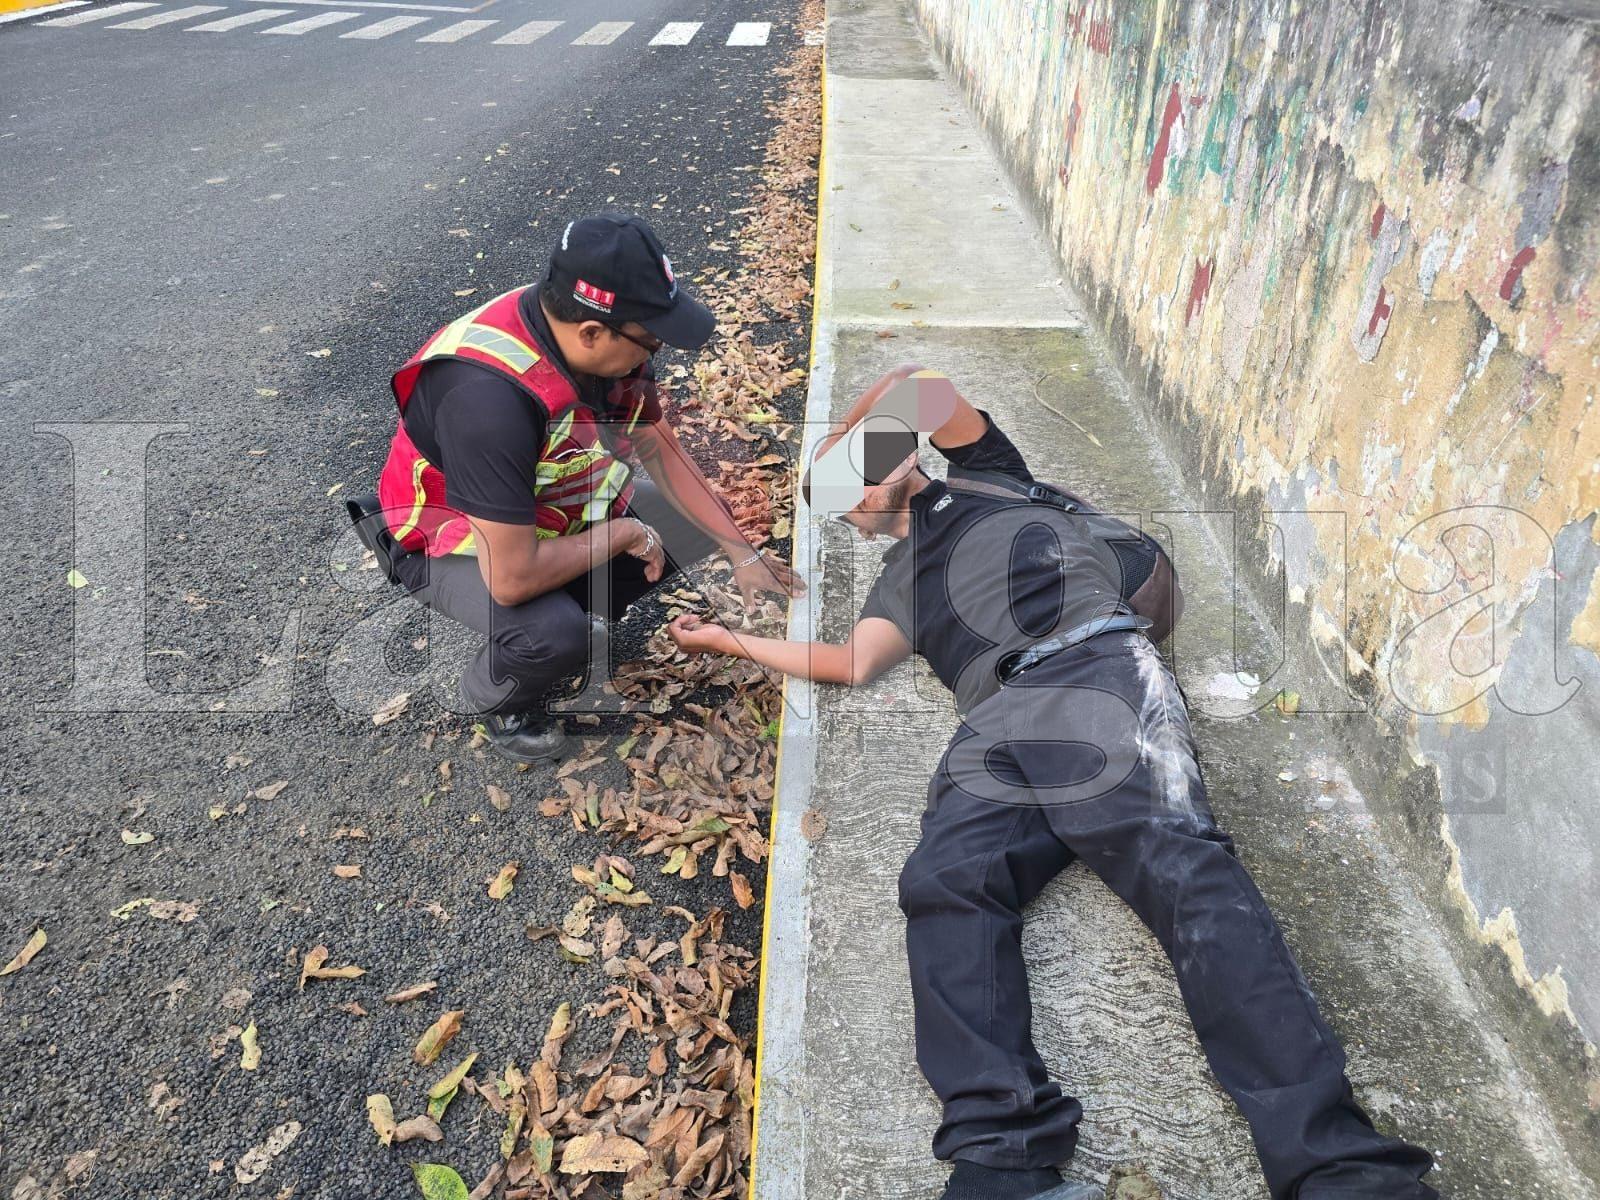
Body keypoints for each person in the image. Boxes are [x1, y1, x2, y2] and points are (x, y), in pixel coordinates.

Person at [667, 365, 1441, 1200]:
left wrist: (838, 451)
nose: (855, 500)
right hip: (997, 719)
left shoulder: (991, 479)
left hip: (1094, 666)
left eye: (853, 478)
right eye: (843, 501)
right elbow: (847, 664)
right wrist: (724, 642)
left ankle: (1337, 1169)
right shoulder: (896, 583)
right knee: (944, 881)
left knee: (1177, 866)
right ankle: (1003, 1155)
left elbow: (923, 390)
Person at [349, 214, 803, 762]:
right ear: (592, 333)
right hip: (445, 537)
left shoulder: (587, 333)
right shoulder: (486, 400)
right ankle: (495, 696)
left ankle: (567, 608)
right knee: (551, 637)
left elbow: (660, 448)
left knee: (688, 523)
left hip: (538, 515)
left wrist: (741, 550)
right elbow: (513, 578)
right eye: (651, 338)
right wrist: (623, 534)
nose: (655, 352)